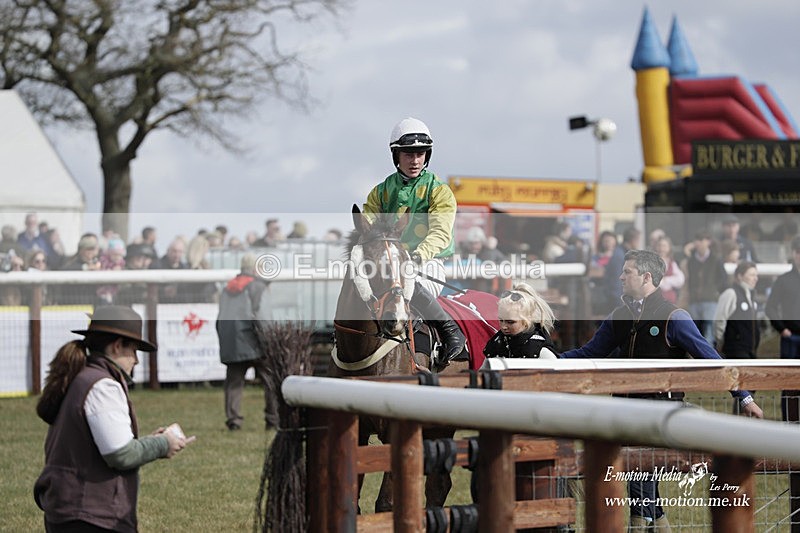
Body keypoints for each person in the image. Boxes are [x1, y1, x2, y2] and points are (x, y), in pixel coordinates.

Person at [560, 249, 762, 532]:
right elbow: (588, 353)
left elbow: (712, 359)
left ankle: (639, 526)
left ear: (646, 277)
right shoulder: (620, 315)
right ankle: (656, 525)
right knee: (640, 479)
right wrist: (547, 358)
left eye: (627, 271)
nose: (620, 276)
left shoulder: (674, 316)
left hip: (661, 413)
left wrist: (744, 397)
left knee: (639, 477)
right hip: (625, 412)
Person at [34, 305, 190, 532]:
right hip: (89, 517)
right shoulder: (103, 385)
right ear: (117, 346)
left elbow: (107, 444)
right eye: (134, 350)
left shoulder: (82, 377)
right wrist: (162, 443)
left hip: (70, 510)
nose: (136, 360)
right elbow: (120, 454)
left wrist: (148, 442)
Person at [363, 117, 465, 367]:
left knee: (408, 285)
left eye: (420, 154)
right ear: (396, 155)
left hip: (427, 262)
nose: (415, 160)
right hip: (389, 262)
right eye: (408, 154)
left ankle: (452, 333)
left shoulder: (439, 190)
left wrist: (417, 256)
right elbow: (367, 225)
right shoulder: (381, 192)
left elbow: (441, 233)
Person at [216, 254, 278, 430]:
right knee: (270, 380)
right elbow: (263, 318)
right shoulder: (258, 287)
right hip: (256, 342)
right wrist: (270, 342)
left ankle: (233, 421)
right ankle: (272, 420)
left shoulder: (227, 288)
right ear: (256, 268)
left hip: (233, 343)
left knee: (234, 383)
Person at [765, 236, 800, 423]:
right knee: (788, 382)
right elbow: (770, 307)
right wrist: (782, 329)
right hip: (791, 338)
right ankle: (789, 422)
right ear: (794, 254)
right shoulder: (784, 280)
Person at [483, 283, 558, 359]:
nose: (504, 326)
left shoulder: (540, 350)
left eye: (510, 322)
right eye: (501, 320)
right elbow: (484, 370)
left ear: (527, 320)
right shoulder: (495, 344)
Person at [682, 230, 728, 344]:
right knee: (695, 329)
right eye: (697, 240)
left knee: (708, 329)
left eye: (702, 240)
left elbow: (723, 278)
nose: (699, 243)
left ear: (708, 242)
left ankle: (708, 357)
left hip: (710, 300)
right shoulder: (692, 260)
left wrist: (715, 291)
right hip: (694, 299)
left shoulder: (716, 259)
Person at [714, 261, 760, 359]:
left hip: (751, 351)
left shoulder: (752, 297)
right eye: (752, 275)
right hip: (735, 351)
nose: (756, 278)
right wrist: (720, 343)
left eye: (756, 275)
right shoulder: (731, 293)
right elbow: (719, 320)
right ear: (740, 276)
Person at [653, 236, 684, 304]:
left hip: (670, 301)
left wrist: (666, 280)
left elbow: (680, 279)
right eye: (659, 245)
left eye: (664, 246)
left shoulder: (672, 263)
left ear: (669, 248)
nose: (661, 249)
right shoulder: (652, 263)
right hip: (656, 301)